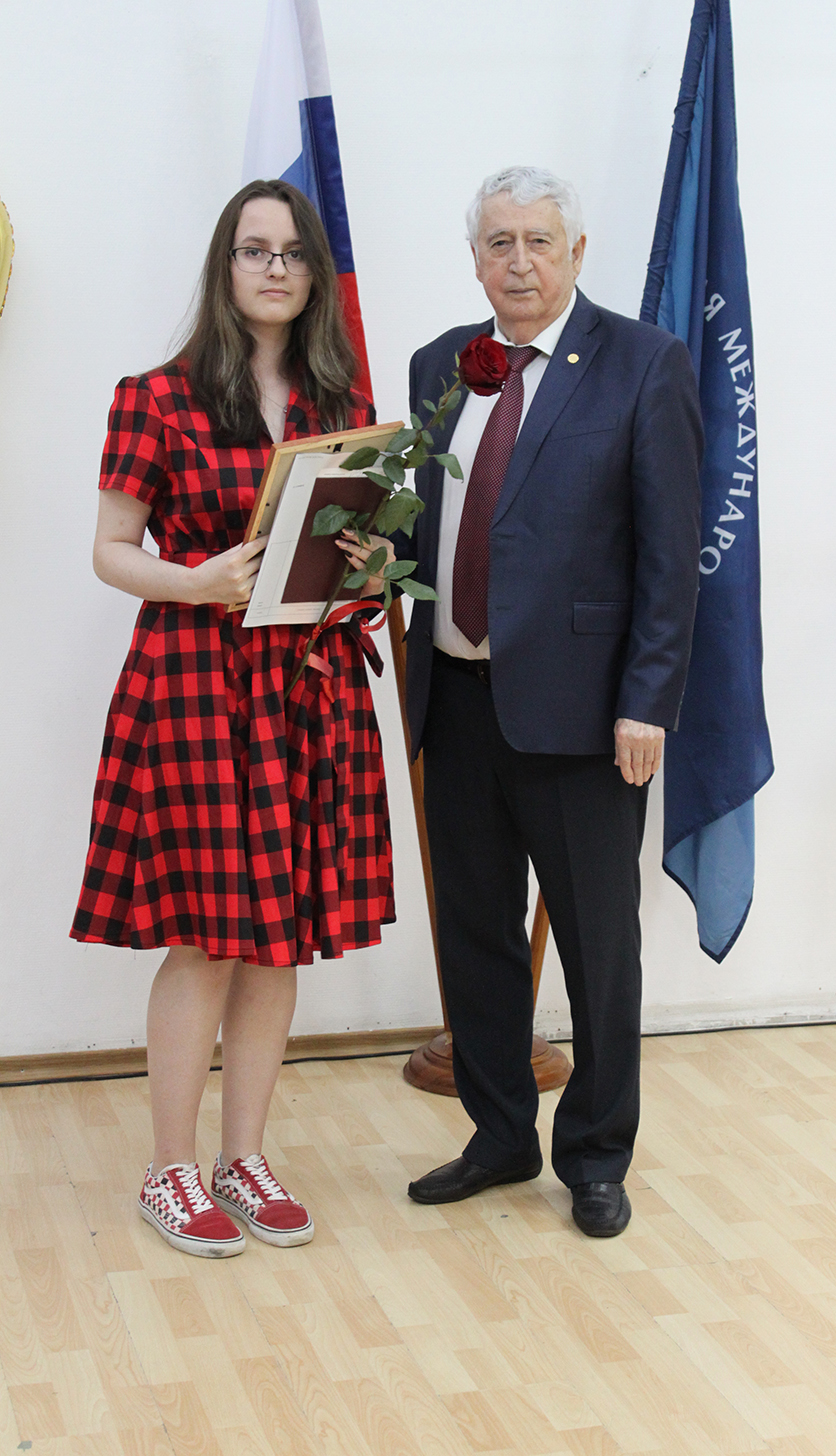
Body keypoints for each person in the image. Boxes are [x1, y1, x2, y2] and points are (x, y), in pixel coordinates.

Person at [72, 179, 394, 1258]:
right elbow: (111, 550)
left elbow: (348, 554)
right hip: (197, 687)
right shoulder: (154, 398)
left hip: (306, 686)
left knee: (276, 937)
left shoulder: (340, 406)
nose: (275, 268)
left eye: (293, 253)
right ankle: (170, 1169)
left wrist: (371, 565)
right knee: (207, 939)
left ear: (313, 275)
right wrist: (196, 581)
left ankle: (242, 1158)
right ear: (225, 265)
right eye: (255, 250)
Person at [402, 166, 703, 1237]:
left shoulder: (643, 363)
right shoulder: (440, 364)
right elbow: (424, 521)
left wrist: (646, 703)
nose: (519, 262)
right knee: (475, 934)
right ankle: (499, 1135)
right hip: (455, 702)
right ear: (474, 258)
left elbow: (670, 556)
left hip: (585, 719)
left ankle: (595, 1154)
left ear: (577, 252)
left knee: (598, 949)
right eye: (499, 242)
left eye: (539, 241)